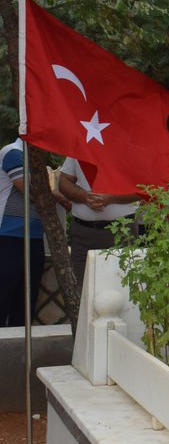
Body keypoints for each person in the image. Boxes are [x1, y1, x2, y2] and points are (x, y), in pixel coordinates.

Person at [1, 138, 70, 326]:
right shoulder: (13, 153)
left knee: (25, 299)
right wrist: (62, 198)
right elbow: (32, 190)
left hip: (33, 237)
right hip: (9, 236)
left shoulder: (34, 161)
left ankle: (18, 350)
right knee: (5, 293)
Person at [58, 158, 140, 294]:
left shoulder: (130, 147)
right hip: (83, 235)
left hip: (121, 233)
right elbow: (63, 181)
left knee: (121, 289)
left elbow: (144, 187)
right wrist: (84, 196)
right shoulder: (81, 143)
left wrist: (111, 198)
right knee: (81, 289)